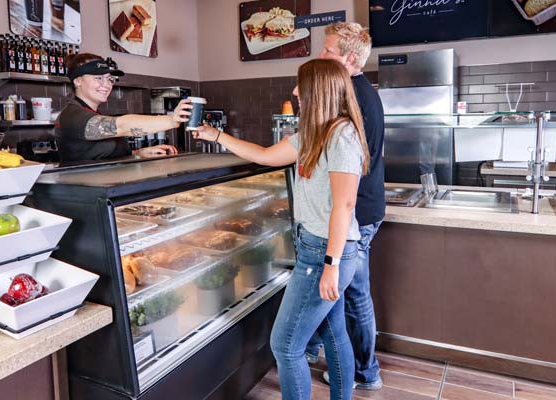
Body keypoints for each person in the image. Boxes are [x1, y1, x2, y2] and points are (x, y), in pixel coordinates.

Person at [194, 59, 370, 400]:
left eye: (300, 86)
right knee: (334, 334)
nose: (294, 92)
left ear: (318, 90)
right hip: (315, 247)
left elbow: (344, 206)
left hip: (326, 252)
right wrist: (215, 135)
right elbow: (264, 155)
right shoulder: (313, 132)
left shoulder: (342, 136)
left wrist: (331, 266)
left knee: (286, 345)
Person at [304, 22, 386, 390]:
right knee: (341, 292)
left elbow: (345, 182)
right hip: (361, 209)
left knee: (352, 295)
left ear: (350, 59)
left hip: (356, 213)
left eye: (329, 51)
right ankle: (317, 347)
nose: (321, 55)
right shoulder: (359, 90)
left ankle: (366, 371)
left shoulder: (353, 97)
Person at [55, 53, 191, 163]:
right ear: (78, 81)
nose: (107, 85)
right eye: (98, 78)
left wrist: (137, 153)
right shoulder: (72, 115)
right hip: (82, 193)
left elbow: (100, 155)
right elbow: (121, 126)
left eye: (109, 79)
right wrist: (172, 120)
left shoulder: (91, 113)